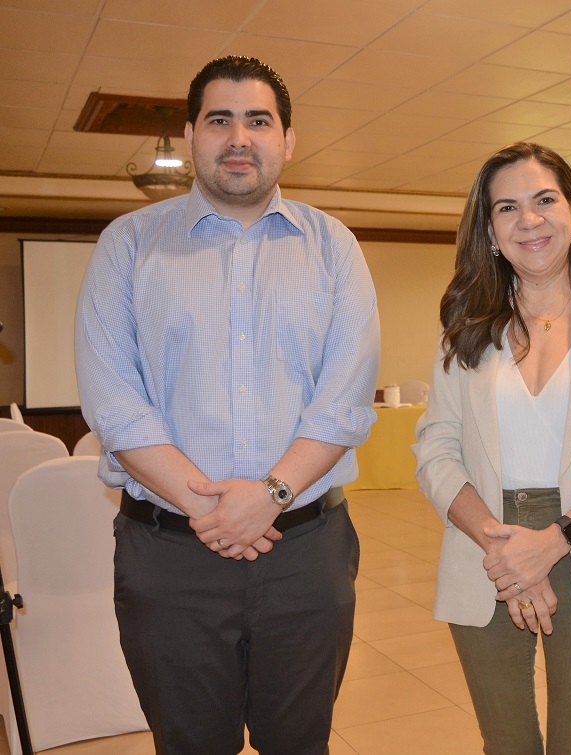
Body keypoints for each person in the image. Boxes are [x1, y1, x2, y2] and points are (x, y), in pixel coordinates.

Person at [75, 56, 379, 754]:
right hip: (169, 559)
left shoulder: (333, 246)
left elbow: (343, 398)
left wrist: (269, 496)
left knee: (300, 743)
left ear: (287, 140)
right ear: (190, 136)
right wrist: (217, 513)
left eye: (258, 121)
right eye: (219, 120)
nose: (239, 137)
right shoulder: (128, 244)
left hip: (305, 554)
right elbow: (114, 403)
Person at [413, 142, 571, 754]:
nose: (528, 219)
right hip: (486, 545)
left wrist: (553, 541)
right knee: (505, 744)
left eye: (544, 200)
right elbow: (436, 448)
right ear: (489, 230)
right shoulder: (466, 320)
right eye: (507, 207)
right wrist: (503, 548)